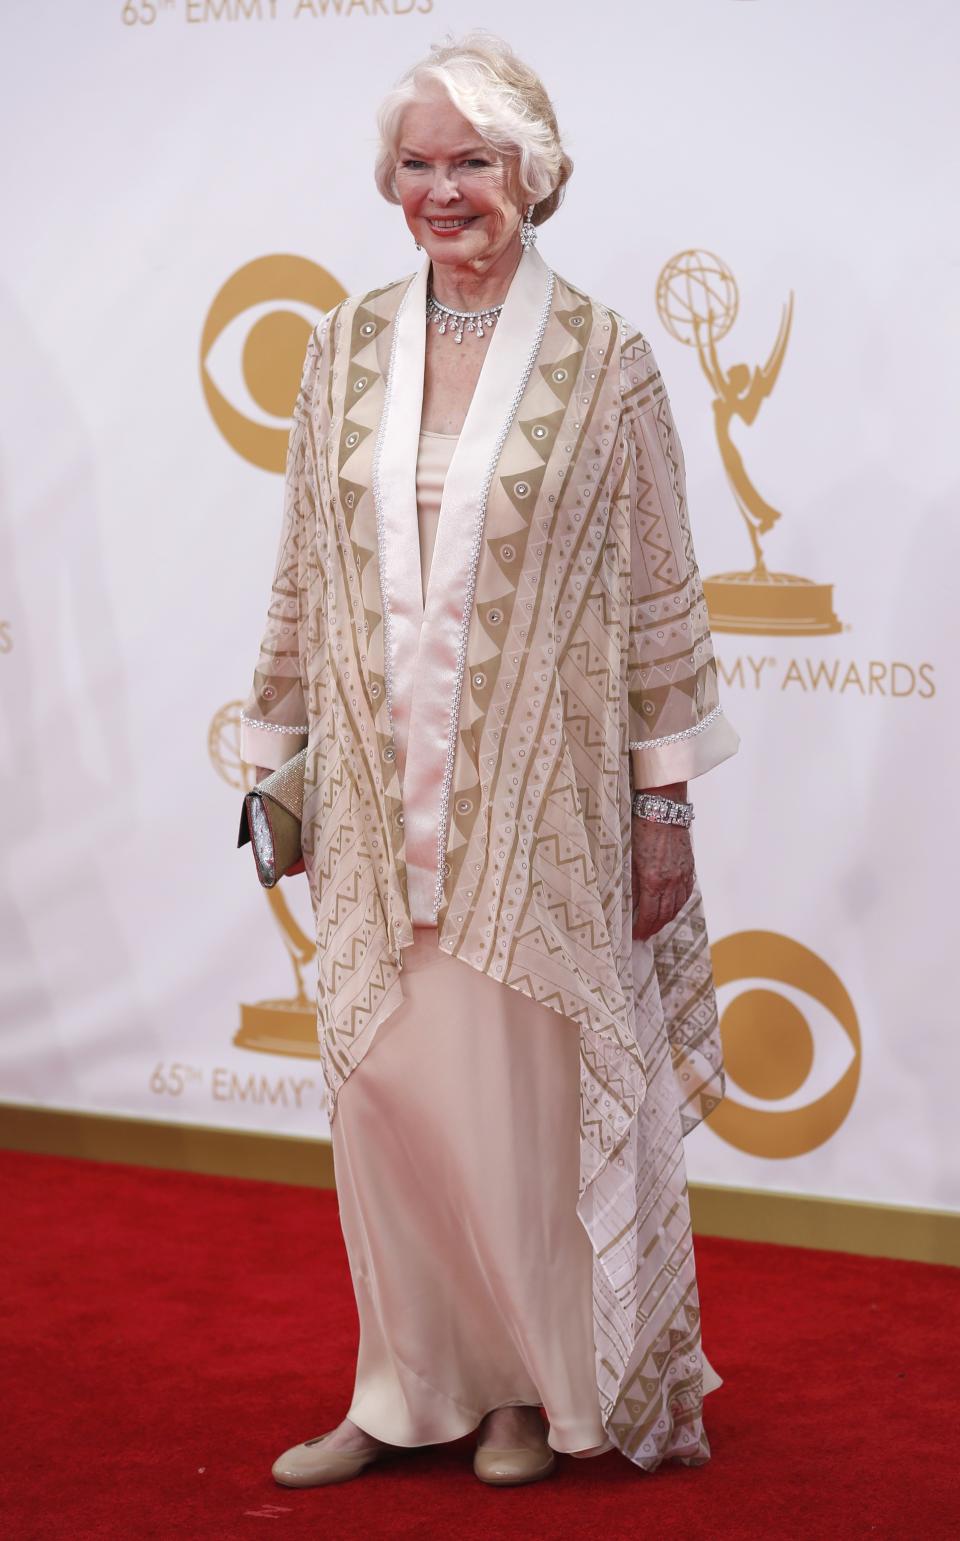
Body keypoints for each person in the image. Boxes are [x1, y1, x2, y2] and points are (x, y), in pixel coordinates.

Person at [239, 30, 740, 1488]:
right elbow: (302, 572)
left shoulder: (607, 361)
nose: (440, 189)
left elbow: (660, 592)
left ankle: (528, 1389)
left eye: (471, 160)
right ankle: (403, 1386)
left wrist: (664, 801)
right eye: (416, 162)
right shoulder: (342, 348)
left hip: (542, 810)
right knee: (388, 1096)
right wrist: (280, 753)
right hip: (381, 797)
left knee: (517, 1107)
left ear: (534, 169)